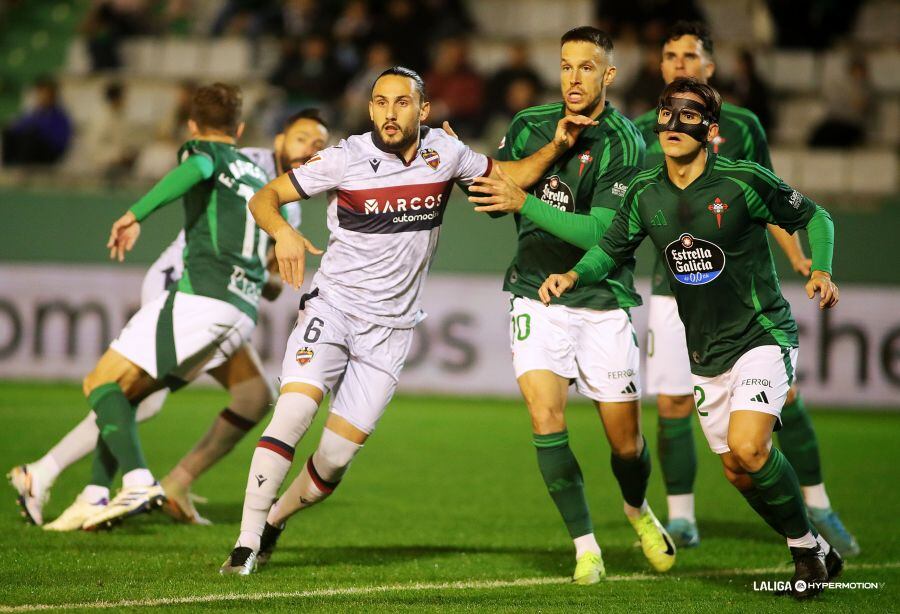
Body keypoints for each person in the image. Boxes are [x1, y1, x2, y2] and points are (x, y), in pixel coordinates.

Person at [219, 66, 594, 575]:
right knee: (291, 413)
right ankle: (244, 543)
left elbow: (506, 179)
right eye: (379, 102)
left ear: (423, 110)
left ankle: (275, 522)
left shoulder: (447, 153)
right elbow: (264, 197)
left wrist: (556, 147)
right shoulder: (344, 158)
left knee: (332, 460)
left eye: (400, 103)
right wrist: (283, 232)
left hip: (390, 333)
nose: (388, 113)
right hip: (333, 308)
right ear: (370, 108)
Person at [538, 77, 843, 600]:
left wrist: (821, 269)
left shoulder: (744, 180)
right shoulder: (644, 191)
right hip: (705, 352)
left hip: (761, 333)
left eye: (689, 114)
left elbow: (816, 215)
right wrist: (574, 276)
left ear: (711, 130)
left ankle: (803, 550)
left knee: (750, 447)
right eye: (666, 112)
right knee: (736, 469)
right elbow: (610, 249)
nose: (674, 123)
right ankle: (816, 544)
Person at [8, 108, 330, 529]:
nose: (311, 149)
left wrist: (273, 275)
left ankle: (155, 485)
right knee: (133, 395)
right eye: (303, 138)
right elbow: (200, 184)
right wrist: (138, 213)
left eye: (321, 144)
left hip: (222, 300)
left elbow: (263, 276)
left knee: (251, 396)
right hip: (187, 287)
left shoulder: (295, 199)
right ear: (279, 139)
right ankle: (84, 486)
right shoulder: (244, 164)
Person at [630, 21, 858, 555]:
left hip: (738, 282)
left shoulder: (743, 126)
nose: (679, 63)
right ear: (660, 67)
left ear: (711, 67)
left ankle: (818, 506)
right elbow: (631, 209)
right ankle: (682, 517)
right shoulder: (642, 128)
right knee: (672, 406)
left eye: (690, 55)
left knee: (782, 401)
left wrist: (801, 256)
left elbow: (768, 196)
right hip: (673, 288)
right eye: (669, 55)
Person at [469, 26, 675, 584]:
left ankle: (636, 509)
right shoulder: (530, 124)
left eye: (587, 68)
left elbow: (602, 235)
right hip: (534, 291)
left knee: (626, 444)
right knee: (544, 416)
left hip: (601, 298)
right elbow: (491, 196)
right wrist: (549, 152)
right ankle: (586, 546)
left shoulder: (628, 142)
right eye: (565, 66)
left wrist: (523, 200)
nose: (574, 77)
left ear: (608, 75)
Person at [1, 77, 72, 166]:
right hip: (31, 145)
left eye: (45, 93)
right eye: (40, 93)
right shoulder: (35, 113)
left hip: (48, 151)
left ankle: (24, 167)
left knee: (30, 134)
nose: (43, 97)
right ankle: (10, 167)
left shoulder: (59, 116)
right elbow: (20, 126)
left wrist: (38, 131)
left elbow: (58, 141)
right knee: (9, 133)